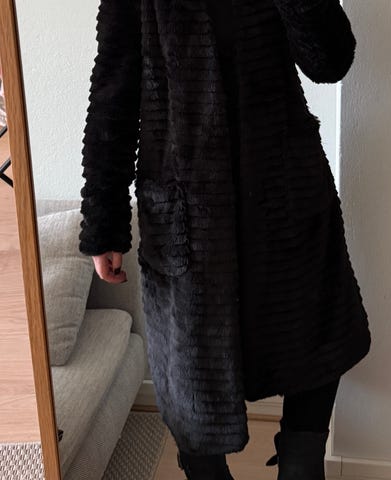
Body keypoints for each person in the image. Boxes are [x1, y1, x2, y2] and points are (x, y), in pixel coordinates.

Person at [78, 0, 371, 479]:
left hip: (286, 199)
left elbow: (330, 61)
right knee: (191, 382)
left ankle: (302, 460)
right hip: (185, 215)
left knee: (315, 341)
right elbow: (114, 90)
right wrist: (103, 221)